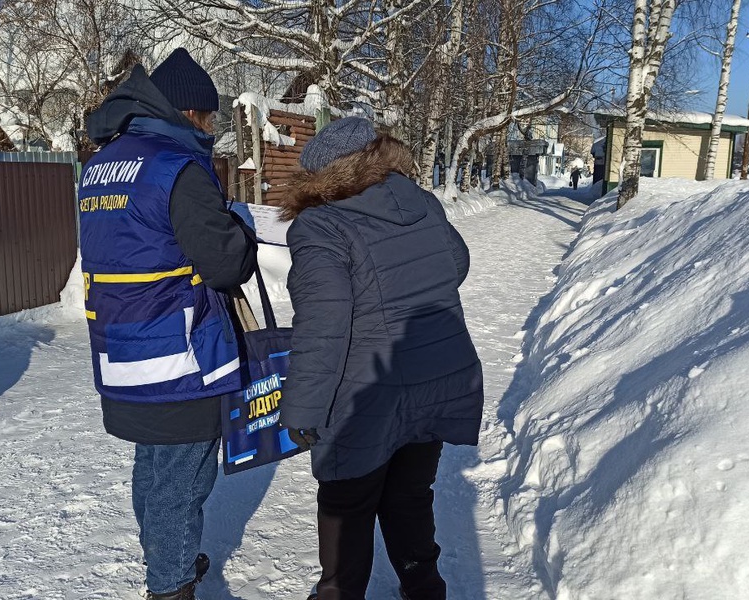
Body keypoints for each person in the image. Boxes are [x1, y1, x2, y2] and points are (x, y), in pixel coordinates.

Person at [278, 117, 484, 600]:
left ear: (319, 177)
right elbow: (457, 263)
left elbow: (323, 327)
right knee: (409, 495)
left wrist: (304, 410)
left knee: (346, 505)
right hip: (435, 375)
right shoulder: (421, 201)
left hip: (364, 393)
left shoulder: (321, 225)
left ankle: (338, 592)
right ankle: (424, 587)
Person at [77, 48, 257, 600]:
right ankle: (171, 583)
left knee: (154, 469)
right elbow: (226, 262)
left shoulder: (100, 165)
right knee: (183, 479)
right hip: (180, 354)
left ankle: (165, 555)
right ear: (192, 114)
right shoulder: (177, 167)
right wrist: (241, 228)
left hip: (121, 349)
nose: (213, 128)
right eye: (211, 117)